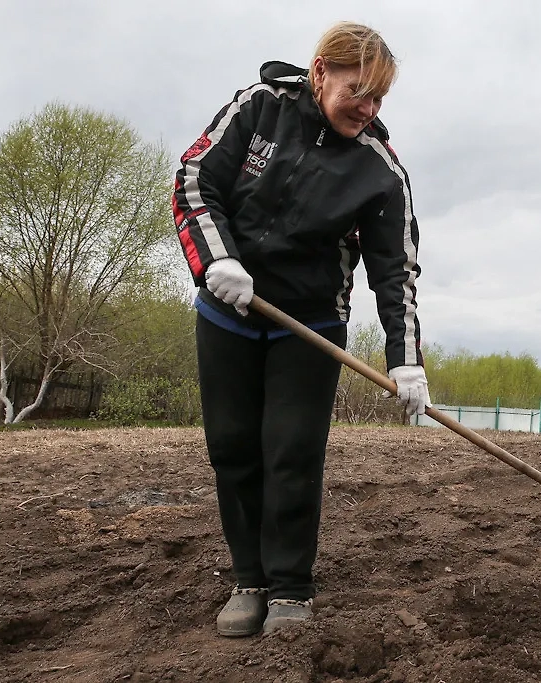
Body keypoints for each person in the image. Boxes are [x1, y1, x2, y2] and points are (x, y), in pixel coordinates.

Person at [172, 22, 432, 637]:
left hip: (308, 324)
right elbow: (194, 180)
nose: (366, 111)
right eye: (356, 92)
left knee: (290, 451)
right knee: (233, 447)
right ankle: (249, 580)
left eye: (378, 100)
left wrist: (405, 356)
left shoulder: (380, 172)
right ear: (320, 72)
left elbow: (396, 269)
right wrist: (218, 261)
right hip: (228, 309)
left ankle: (290, 586)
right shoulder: (259, 107)